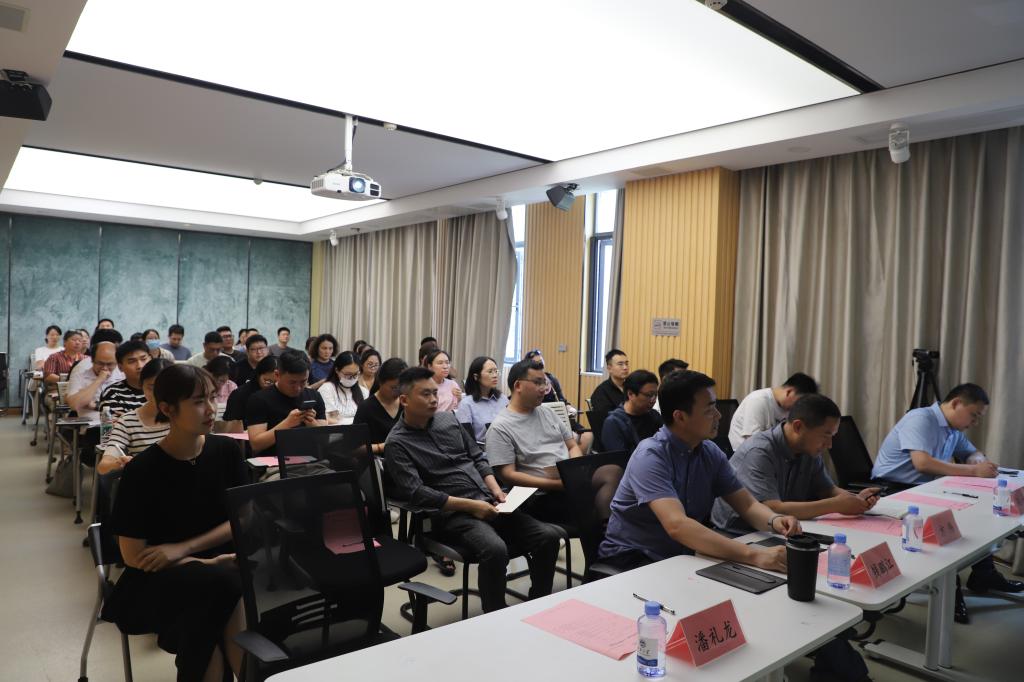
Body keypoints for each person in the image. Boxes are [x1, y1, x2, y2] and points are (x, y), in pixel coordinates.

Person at [102, 364, 247, 681]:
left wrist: (186, 549)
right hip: (160, 579)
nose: (211, 409)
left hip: (218, 568)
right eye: (198, 401)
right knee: (226, 586)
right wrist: (204, 563)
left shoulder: (226, 451)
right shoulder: (143, 470)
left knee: (213, 607)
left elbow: (242, 518)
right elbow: (133, 556)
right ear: (167, 409)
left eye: (212, 397)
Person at [385, 366, 561, 613]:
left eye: (435, 393)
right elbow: (417, 492)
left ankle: (539, 604)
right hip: (454, 514)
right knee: (495, 549)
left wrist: (496, 490)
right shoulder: (397, 443)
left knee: (548, 537)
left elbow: (477, 457)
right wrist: (472, 506)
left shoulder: (447, 420)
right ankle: (495, 614)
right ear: (404, 400)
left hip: (489, 500)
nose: (434, 399)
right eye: (425, 394)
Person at [598, 370, 800, 572]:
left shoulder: (710, 452)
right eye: (709, 410)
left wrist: (774, 520)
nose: (719, 415)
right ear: (680, 417)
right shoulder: (650, 456)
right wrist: (755, 555)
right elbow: (677, 525)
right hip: (632, 560)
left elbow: (747, 505)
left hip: (680, 555)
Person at [871, 383, 1022, 622]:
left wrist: (977, 460)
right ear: (956, 403)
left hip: (926, 488)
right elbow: (922, 463)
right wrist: (974, 471)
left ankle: (984, 574)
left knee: (973, 509)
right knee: (951, 519)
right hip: (894, 488)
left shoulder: (952, 430)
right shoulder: (921, 419)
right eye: (973, 415)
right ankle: (949, 590)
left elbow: (971, 452)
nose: (975, 422)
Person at [712, 394, 880, 533]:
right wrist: (836, 505)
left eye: (832, 436)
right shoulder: (760, 451)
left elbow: (827, 489)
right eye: (825, 435)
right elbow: (772, 509)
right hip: (739, 533)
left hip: (784, 527)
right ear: (798, 427)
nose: (829, 445)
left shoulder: (809, 449)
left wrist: (855, 500)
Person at [486, 359, 582, 524]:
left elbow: (572, 446)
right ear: (518, 386)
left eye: (544, 382)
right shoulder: (500, 427)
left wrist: (573, 469)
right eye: (537, 383)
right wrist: (557, 484)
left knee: (609, 476)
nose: (543, 388)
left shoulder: (548, 412)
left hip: (567, 483)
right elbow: (508, 475)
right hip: (538, 495)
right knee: (595, 507)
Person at [96, 358, 174, 474]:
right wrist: (120, 463)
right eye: (151, 387)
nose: (158, 394)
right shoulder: (128, 421)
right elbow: (103, 467)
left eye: (166, 388)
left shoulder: (185, 415)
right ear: (141, 386)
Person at [246, 350, 327, 456]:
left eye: (303, 381)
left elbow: (325, 440)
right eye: (292, 382)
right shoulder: (259, 399)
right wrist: (287, 423)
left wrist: (312, 423)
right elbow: (256, 444)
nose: (298, 388)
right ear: (277, 375)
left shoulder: (314, 396)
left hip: (310, 459)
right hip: (274, 461)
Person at [524, 349, 593, 453]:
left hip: (562, 418)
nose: (540, 364)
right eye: (536, 362)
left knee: (588, 435)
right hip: (543, 422)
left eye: (541, 361)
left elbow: (562, 400)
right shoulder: (527, 383)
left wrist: (569, 408)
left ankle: (576, 458)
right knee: (572, 438)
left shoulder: (552, 379)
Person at [729, 373, 819, 450]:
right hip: (747, 457)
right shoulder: (758, 400)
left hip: (771, 457)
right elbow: (754, 443)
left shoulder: (788, 409)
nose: (798, 407)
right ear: (789, 392)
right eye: (798, 402)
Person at [601, 370, 663, 455]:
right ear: (630, 394)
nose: (653, 400)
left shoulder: (654, 415)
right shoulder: (614, 423)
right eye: (649, 395)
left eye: (655, 395)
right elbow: (619, 459)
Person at [354, 357, 407, 456]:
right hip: (379, 460)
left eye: (402, 387)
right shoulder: (366, 408)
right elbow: (356, 448)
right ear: (380, 382)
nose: (399, 391)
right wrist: (383, 447)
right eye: (394, 388)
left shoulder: (406, 402)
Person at [67, 340, 125, 421]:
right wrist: (99, 379)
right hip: (91, 425)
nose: (105, 368)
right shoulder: (80, 373)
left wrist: (95, 405)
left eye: (110, 364)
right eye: (100, 363)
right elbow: (74, 405)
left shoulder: (123, 374)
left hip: (120, 424)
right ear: (92, 360)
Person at [455, 356, 509, 442]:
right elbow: (466, 439)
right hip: (481, 448)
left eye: (496, 371)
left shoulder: (503, 399)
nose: (495, 375)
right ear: (476, 376)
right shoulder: (466, 404)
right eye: (490, 372)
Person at [221, 355, 278, 432]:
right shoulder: (240, 394)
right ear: (258, 375)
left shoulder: (283, 392)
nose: (272, 386)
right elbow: (231, 423)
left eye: (277, 383)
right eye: (268, 381)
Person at [99, 340, 152, 418]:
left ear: (150, 359)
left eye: (143, 359)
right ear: (120, 367)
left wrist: (129, 418)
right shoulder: (113, 393)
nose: (140, 366)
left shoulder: (162, 388)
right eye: (132, 361)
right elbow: (114, 424)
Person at [317, 351, 365, 425]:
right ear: (337, 370)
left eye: (356, 374)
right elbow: (325, 419)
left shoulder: (363, 391)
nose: (352, 378)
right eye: (348, 374)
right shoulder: (327, 389)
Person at [589, 348, 630, 413]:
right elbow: (606, 418)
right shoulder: (601, 392)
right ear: (609, 368)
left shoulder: (632, 386)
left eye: (626, 364)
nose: (625, 367)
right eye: (620, 364)